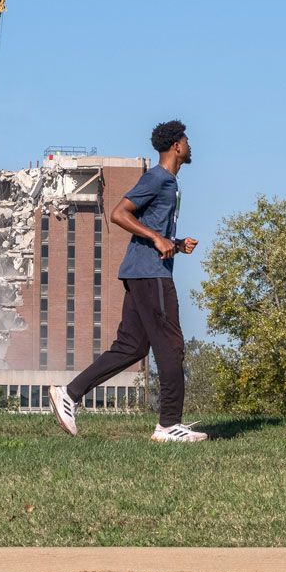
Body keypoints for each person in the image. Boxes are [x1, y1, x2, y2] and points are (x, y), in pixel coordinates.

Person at [49, 120, 204, 443]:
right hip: (150, 275)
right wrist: (158, 240)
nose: (190, 146)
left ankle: (69, 393)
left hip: (142, 271)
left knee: (131, 346)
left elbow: (151, 229)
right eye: (187, 141)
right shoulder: (157, 178)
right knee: (171, 347)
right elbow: (120, 213)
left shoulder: (169, 182)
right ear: (176, 146)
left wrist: (175, 244)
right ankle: (168, 425)